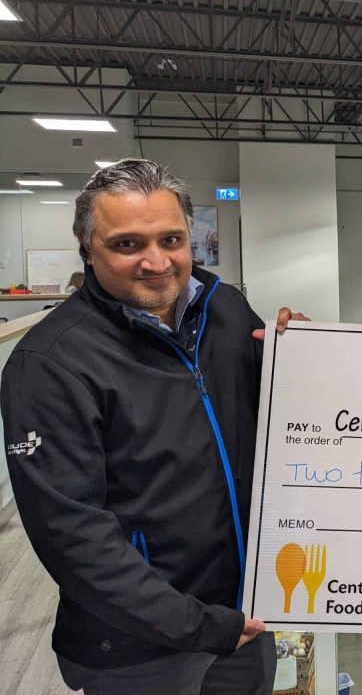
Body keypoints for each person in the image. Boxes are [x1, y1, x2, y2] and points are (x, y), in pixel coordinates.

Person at [1, 159, 307, 694]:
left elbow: (278, 423)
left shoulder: (227, 309)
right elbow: (74, 538)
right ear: (87, 250)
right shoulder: (50, 363)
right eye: (127, 245)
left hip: (242, 620)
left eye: (172, 239)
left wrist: (310, 364)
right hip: (138, 652)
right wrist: (198, 625)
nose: (156, 261)